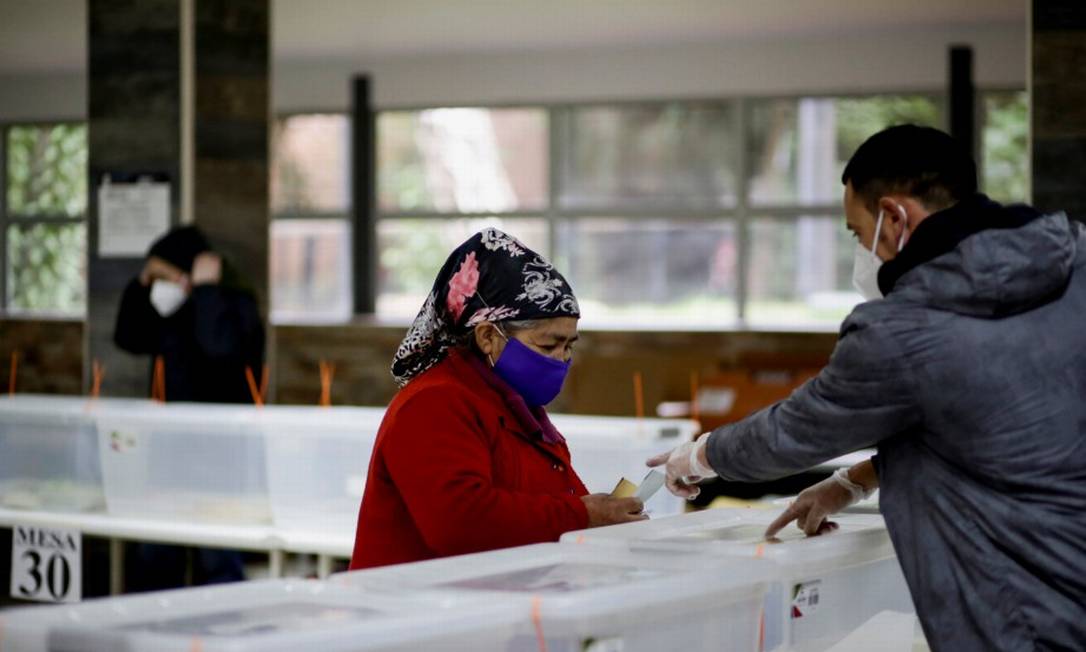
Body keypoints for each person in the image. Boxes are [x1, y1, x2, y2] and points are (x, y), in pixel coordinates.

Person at [649, 125, 1086, 651]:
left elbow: (793, 432)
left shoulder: (901, 329)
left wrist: (698, 455)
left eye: (858, 233)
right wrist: (855, 480)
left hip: (1029, 621)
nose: (862, 250)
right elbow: (1007, 422)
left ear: (895, 217)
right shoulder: (1074, 266)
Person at [350, 228, 645, 570]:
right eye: (548, 346)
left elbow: (554, 498)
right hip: (417, 612)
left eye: (569, 346)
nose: (562, 359)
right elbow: (459, 522)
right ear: (488, 336)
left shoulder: (516, 407)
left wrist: (604, 515)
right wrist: (584, 514)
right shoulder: (434, 404)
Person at [114, 225, 264, 590]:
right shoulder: (171, 309)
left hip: (221, 452)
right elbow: (128, 336)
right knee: (157, 551)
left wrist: (207, 290)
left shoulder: (236, 304)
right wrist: (142, 282)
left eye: (171, 274)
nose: (164, 285)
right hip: (169, 449)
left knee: (218, 554)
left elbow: (219, 347)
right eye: (159, 277)